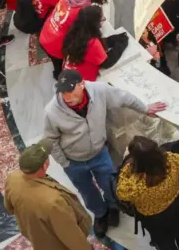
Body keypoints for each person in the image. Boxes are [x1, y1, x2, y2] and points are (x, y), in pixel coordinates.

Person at [43, 70, 166, 237]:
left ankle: (113, 206)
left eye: (70, 91)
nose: (66, 97)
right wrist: (65, 163)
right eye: (63, 92)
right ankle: (100, 214)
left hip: (100, 153)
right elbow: (50, 139)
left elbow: (123, 97)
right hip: (74, 161)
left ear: (82, 84)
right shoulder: (52, 111)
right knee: (87, 190)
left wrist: (145, 108)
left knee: (110, 183)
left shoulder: (99, 90)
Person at [116, 136, 179, 250]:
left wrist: (126, 162)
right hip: (177, 207)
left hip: (156, 219)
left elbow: (121, 192)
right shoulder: (171, 162)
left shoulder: (134, 186)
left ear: (136, 161)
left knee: (165, 244)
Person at [3, 142, 92, 249]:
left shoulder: (12, 178)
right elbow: (71, 236)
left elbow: (9, 207)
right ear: (45, 165)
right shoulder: (54, 201)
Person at [40, 0, 110, 78]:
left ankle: (57, 73)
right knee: (61, 69)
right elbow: (86, 34)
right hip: (56, 45)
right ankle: (60, 77)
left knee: (56, 63)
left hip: (46, 34)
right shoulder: (82, 11)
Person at [62, 5, 106, 82]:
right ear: (95, 23)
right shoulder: (93, 43)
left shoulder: (73, 32)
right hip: (84, 87)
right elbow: (105, 62)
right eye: (102, 19)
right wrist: (121, 45)